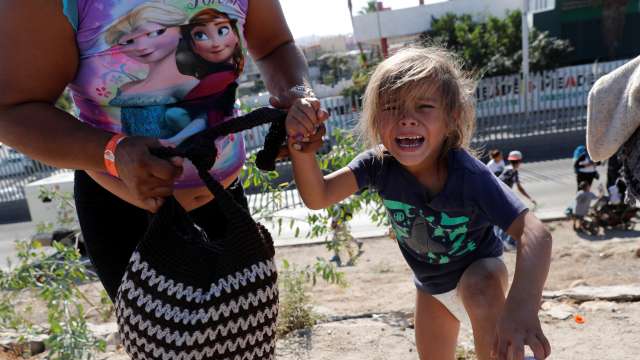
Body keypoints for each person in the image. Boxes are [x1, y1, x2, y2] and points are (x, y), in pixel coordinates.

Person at [0, 0, 324, 303]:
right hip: (127, 218)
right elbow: (12, 110)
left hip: (225, 202)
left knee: (247, 337)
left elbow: (274, 45)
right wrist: (113, 152)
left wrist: (297, 98)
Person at [286, 47, 552, 360]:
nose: (407, 119)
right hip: (430, 288)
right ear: (374, 119)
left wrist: (522, 307)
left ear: (451, 117)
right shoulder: (378, 165)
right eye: (392, 107)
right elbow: (319, 196)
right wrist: (301, 149)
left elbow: (535, 232)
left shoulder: (467, 174)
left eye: (424, 106)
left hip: (480, 278)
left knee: (483, 295)